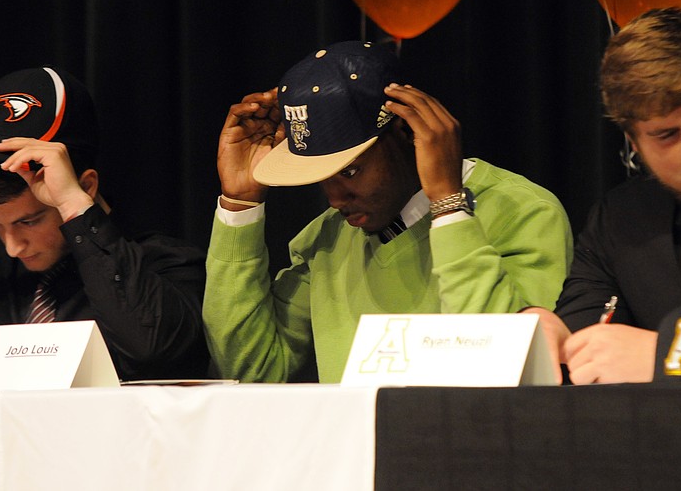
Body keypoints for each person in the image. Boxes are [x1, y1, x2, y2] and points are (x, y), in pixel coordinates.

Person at [203, 41, 572, 383]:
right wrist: (240, 207)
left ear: (406, 130)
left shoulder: (523, 211)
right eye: (322, 178)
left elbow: (511, 371)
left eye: (350, 171)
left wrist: (448, 205)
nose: (334, 198)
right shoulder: (326, 240)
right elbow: (248, 373)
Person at [528, 7, 681, 384]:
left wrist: (673, 356)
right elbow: (583, 339)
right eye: (667, 135)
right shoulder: (619, 219)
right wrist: (547, 338)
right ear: (634, 141)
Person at [0, 66, 210, 381]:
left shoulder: (166, 263)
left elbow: (152, 350)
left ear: (86, 186)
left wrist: (75, 207)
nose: (12, 246)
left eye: (30, 221)